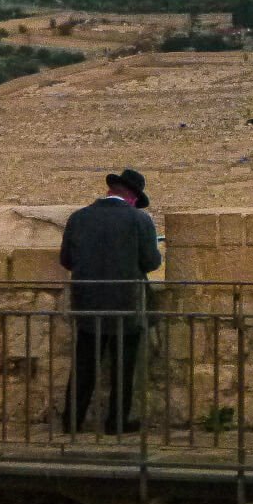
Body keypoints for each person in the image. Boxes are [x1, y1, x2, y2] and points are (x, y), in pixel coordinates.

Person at [60, 167, 161, 434]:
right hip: (126, 303)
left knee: (84, 364)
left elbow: (66, 260)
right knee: (123, 367)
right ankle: (116, 422)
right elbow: (151, 261)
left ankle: (72, 420)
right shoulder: (139, 220)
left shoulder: (79, 218)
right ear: (132, 197)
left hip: (86, 302)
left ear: (111, 191)